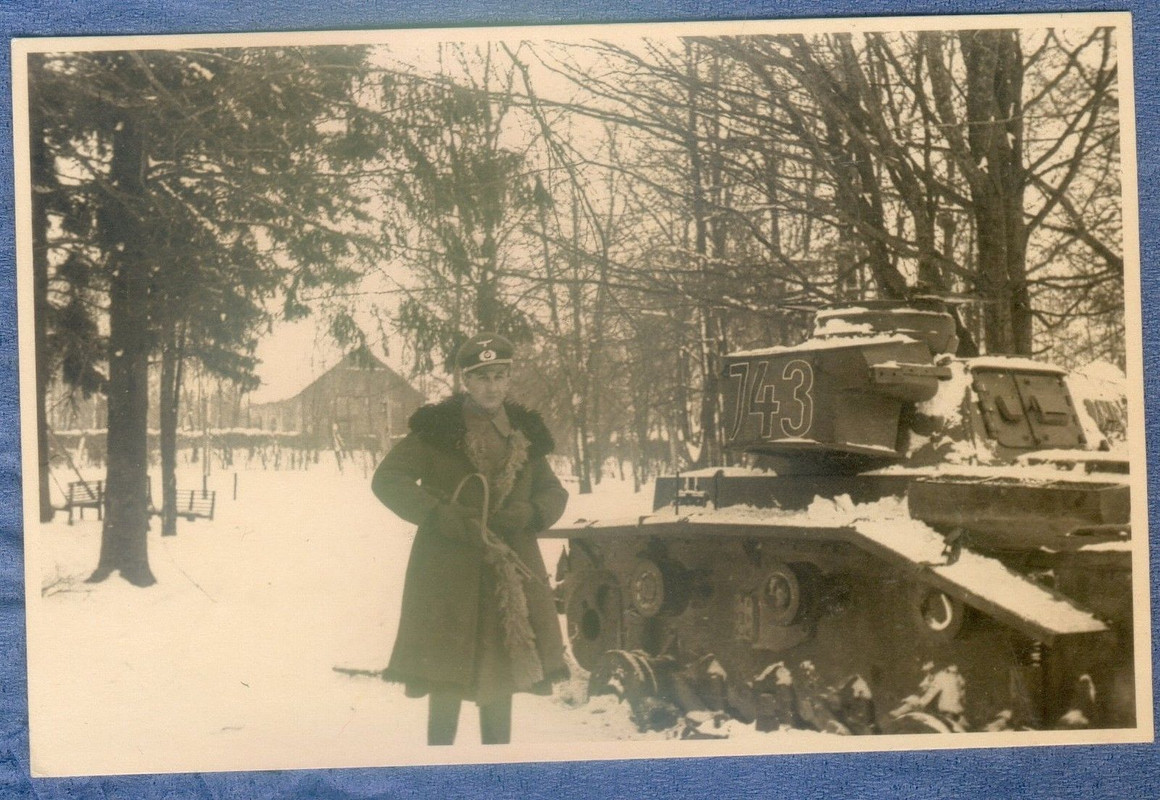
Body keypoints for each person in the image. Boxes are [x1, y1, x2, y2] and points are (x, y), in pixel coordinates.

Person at [370, 332, 570, 745]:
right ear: (465, 380)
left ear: (509, 379)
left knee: (502, 672)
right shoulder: (436, 429)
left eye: (499, 376)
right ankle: (439, 772)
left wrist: (529, 513)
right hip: (447, 569)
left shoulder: (525, 433)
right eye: (482, 377)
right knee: (444, 677)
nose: (492, 387)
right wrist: (439, 514)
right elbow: (388, 479)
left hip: (506, 571)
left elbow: (554, 492)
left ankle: (495, 774)